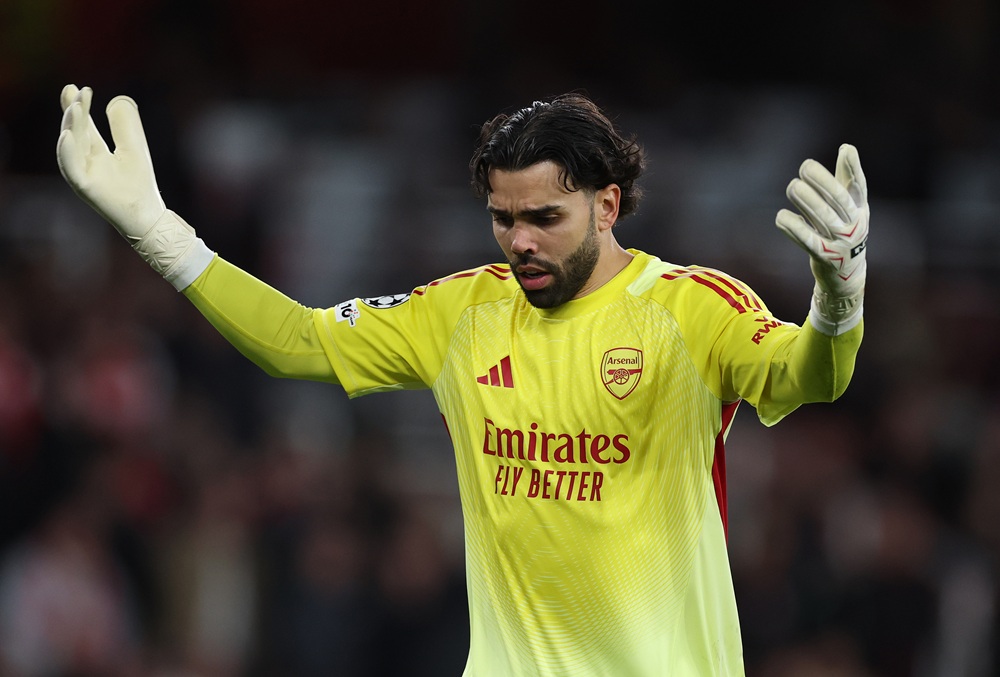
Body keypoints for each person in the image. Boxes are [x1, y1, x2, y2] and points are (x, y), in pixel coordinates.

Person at [56, 83, 868, 676]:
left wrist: (836, 303)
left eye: (545, 217)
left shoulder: (690, 310)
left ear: (607, 205)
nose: (520, 241)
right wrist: (160, 232)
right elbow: (296, 341)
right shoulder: (462, 314)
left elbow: (810, 377)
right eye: (503, 218)